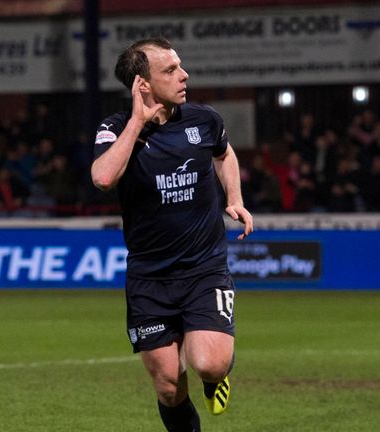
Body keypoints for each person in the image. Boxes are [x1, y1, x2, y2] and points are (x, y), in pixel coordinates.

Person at [91, 37, 253, 432]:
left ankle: (216, 379)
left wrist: (234, 196)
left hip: (204, 269)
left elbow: (224, 152)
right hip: (149, 278)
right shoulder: (115, 129)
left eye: (180, 66)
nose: (184, 76)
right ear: (142, 84)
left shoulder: (204, 119)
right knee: (168, 388)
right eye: (170, 70)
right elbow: (103, 177)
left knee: (208, 363)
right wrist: (136, 122)